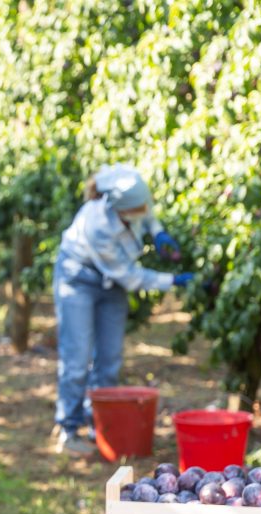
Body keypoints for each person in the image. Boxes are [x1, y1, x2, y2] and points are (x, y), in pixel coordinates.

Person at [53, 164, 192, 455]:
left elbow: (146, 211)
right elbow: (130, 276)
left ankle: (100, 427)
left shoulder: (130, 190)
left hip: (110, 281)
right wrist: (173, 281)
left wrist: (158, 233)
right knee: (77, 358)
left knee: (110, 357)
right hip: (78, 278)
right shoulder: (98, 226)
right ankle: (68, 429)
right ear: (120, 210)